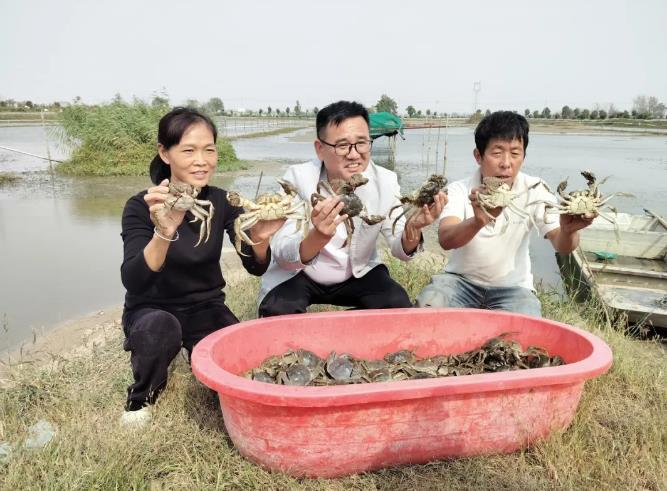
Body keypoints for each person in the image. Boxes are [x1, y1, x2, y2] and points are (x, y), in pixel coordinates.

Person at [120, 107, 284, 426]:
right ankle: (140, 400)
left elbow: (256, 268)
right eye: (189, 150)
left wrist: (261, 239)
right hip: (151, 308)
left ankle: (194, 350)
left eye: (209, 150)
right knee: (159, 330)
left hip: (206, 307)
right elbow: (134, 280)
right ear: (165, 153)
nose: (202, 160)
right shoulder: (145, 205)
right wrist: (164, 231)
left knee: (242, 360)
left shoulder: (222, 201)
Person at [258, 100, 447, 316]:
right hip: (301, 274)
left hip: (356, 272)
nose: (354, 154)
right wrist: (317, 236)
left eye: (362, 143)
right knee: (276, 310)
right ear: (320, 149)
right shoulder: (298, 179)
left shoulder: (385, 181)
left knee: (396, 304)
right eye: (342, 145)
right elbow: (283, 253)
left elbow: (399, 248)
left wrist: (413, 229)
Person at [416, 111, 594, 317]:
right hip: (458, 282)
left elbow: (561, 245)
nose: (506, 163)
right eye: (497, 153)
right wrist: (478, 221)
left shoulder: (535, 189)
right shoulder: (460, 189)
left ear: (524, 157)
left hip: (514, 289)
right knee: (427, 309)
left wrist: (568, 231)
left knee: (526, 330)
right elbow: (446, 239)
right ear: (478, 156)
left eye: (515, 153)